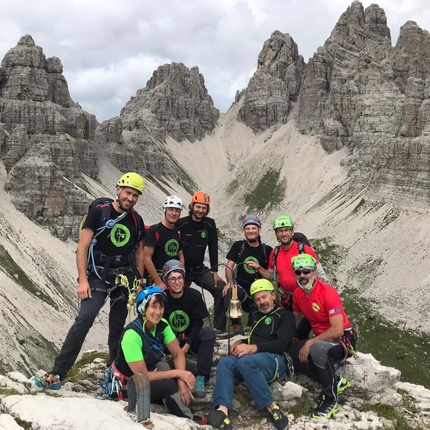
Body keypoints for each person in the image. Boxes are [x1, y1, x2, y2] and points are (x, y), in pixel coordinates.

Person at [34, 172, 146, 388]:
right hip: (98, 276)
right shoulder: (99, 213)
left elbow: (139, 251)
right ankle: (58, 373)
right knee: (84, 319)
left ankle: (113, 371)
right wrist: (83, 281)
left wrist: (138, 279)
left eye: (135, 195)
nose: (130, 198)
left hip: (123, 279)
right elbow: (82, 248)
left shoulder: (136, 220)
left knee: (117, 326)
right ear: (118, 190)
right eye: (128, 192)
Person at [111, 286, 208, 425]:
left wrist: (181, 378)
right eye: (153, 307)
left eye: (161, 307)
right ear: (143, 308)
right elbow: (142, 376)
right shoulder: (132, 335)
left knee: (189, 368)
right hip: (131, 384)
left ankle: (170, 397)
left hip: (151, 369)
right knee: (168, 385)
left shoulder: (162, 325)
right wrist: (177, 373)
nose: (158, 312)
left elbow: (177, 353)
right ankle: (190, 418)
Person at [208, 279, 295, 430]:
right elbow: (256, 337)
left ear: (273, 295)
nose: (262, 302)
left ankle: (272, 406)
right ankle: (222, 410)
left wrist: (252, 348)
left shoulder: (285, 316)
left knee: (245, 362)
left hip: (276, 359)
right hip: (253, 361)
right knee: (225, 362)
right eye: (257, 299)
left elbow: (282, 343)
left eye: (264, 297)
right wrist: (241, 342)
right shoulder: (255, 315)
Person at [288, 254, 357, 419]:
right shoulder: (297, 294)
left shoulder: (328, 293)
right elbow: (297, 321)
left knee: (317, 348)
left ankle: (330, 399)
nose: (302, 275)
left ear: (314, 273)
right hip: (323, 339)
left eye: (306, 271)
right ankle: (335, 381)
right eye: (298, 272)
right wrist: (288, 339)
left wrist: (309, 343)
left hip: (344, 339)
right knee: (293, 351)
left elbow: (338, 330)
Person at [162, 259, 216, 399]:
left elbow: (198, 323)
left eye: (180, 278)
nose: (177, 282)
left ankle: (201, 377)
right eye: (172, 279)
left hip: (190, 340)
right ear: (166, 281)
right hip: (169, 342)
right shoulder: (162, 299)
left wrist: (186, 347)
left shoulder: (194, 295)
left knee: (208, 333)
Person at [248, 215, 326, 312]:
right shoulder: (275, 253)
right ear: (276, 234)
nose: (284, 234)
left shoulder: (305, 250)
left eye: (287, 230)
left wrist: (316, 294)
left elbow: (321, 274)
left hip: (305, 296)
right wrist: (258, 267)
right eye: (280, 231)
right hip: (286, 299)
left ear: (292, 232)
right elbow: (271, 276)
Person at [176, 191, 227, 333]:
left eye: (204, 208)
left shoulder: (209, 224)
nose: (201, 210)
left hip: (199, 269)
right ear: (192, 206)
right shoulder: (181, 223)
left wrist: (215, 272)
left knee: (220, 289)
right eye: (198, 207)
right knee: (178, 295)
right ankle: (181, 330)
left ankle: (219, 327)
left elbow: (213, 247)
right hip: (182, 269)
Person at [224, 215, 272, 335]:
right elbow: (229, 265)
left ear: (259, 230)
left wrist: (258, 267)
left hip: (258, 291)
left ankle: (252, 326)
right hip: (241, 287)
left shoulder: (267, 250)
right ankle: (236, 324)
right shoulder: (238, 246)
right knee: (229, 291)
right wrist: (229, 282)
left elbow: (270, 277)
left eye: (253, 228)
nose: (250, 231)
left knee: (253, 327)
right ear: (244, 231)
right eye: (247, 229)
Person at [143, 195, 184, 290]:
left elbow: (180, 255)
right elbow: (146, 259)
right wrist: (158, 282)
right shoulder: (154, 231)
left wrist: (181, 274)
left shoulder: (178, 232)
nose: (174, 213)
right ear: (165, 210)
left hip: (174, 277)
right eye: (171, 210)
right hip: (157, 277)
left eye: (177, 211)